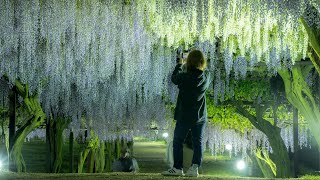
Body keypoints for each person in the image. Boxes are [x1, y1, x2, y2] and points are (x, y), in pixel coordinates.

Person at [162, 49, 211, 177]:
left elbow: (174, 78)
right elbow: (203, 71)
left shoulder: (183, 77)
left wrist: (179, 64)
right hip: (199, 116)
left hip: (184, 115)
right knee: (198, 142)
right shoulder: (206, 76)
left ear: (188, 62)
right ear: (202, 62)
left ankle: (177, 168)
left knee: (178, 141)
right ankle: (194, 168)